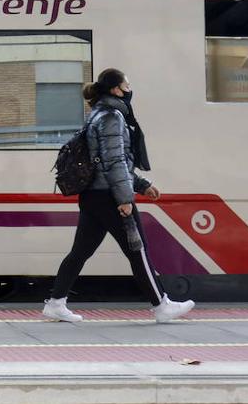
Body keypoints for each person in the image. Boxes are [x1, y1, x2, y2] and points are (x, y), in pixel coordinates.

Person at [43, 68, 195, 324]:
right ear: (116, 89)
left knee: (80, 252)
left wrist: (142, 184)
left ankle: (56, 303)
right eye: (127, 85)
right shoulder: (112, 117)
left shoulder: (97, 114)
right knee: (139, 251)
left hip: (93, 196)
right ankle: (162, 305)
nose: (129, 89)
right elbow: (114, 162)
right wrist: (125, 198)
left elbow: (112, 161)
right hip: (110, 197)